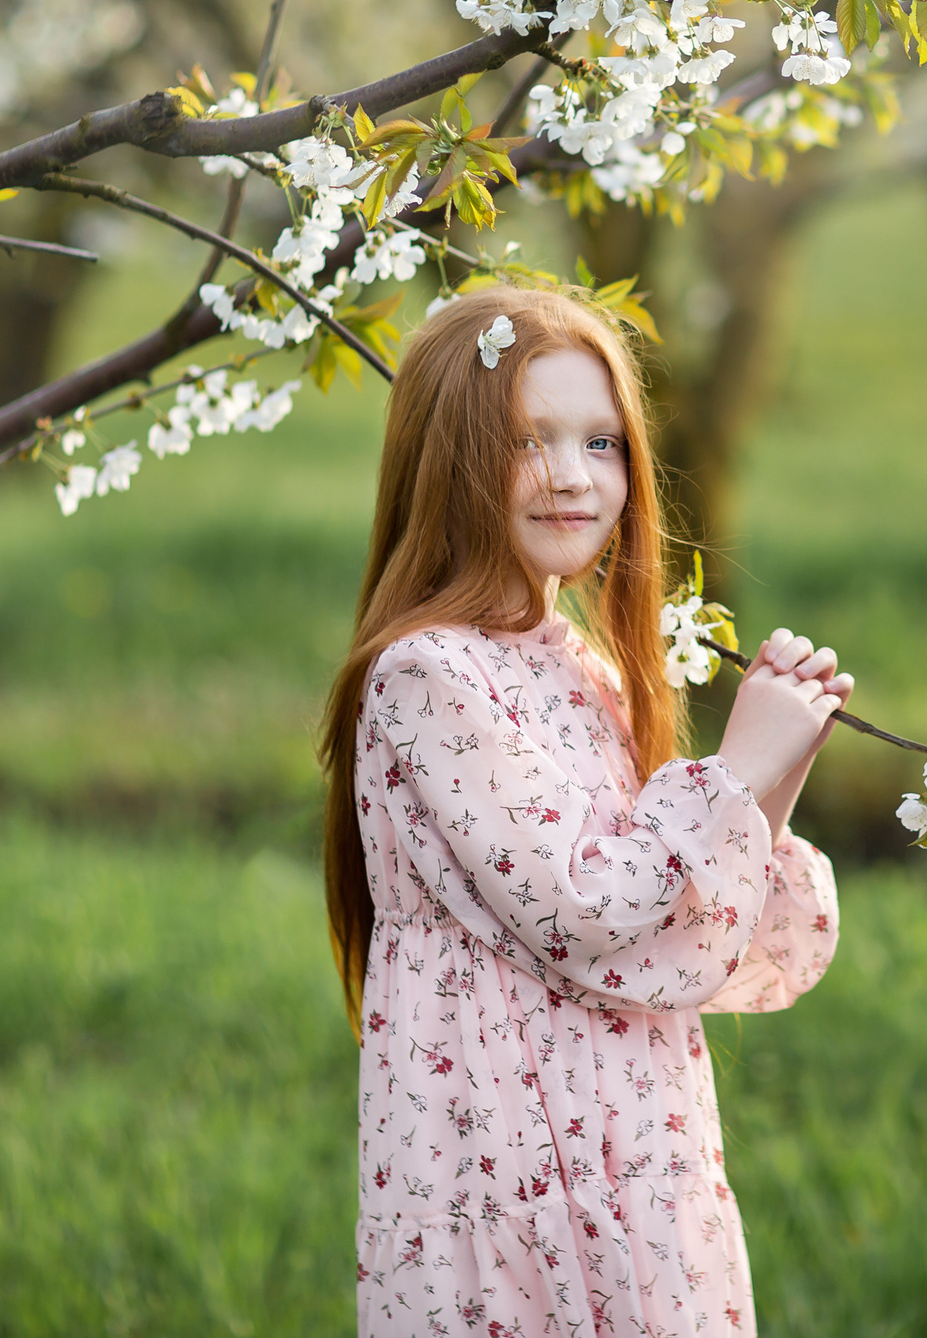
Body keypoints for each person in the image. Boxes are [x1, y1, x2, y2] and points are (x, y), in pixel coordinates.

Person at [319, 284, 849, 1337]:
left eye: (600, 442)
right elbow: (586, 908)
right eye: (527, 441)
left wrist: (772, 778)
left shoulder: (585, 670)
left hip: (630, 1152)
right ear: (450, 459)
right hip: (504, 1161)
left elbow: (673, 934)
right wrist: (733, 770)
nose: (571, 475)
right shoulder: (428, 676)